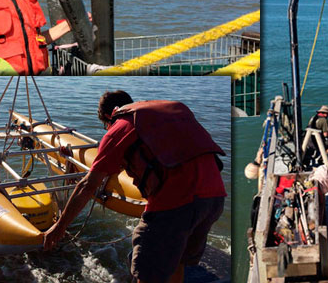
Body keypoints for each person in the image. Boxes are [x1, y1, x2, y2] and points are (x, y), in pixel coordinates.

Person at [43, 91, 227, 283]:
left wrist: (59, 226)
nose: (107, 129)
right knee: (175, 264)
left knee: (146, 273)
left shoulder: (120, 127)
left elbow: (88, 186)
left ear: (108, 117)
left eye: (105, 126)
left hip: (176, 206)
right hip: (214, 198)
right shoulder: (159, 114)